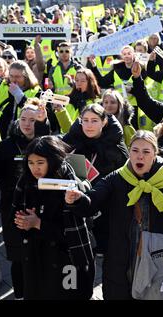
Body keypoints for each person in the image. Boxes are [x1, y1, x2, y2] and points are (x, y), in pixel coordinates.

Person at [65, 130, 163, 299]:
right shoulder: (116, 178)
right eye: (135, 150)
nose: (140, 156)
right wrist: (77, 199)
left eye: (146, 152)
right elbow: (92, 202)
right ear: (129, 152)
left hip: (159, 261)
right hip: (121, 260)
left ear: (155, 154)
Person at [11, 135, 94, 299]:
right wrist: (22, 223)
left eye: (40, 163)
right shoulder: (25, 182)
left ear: (52, 160)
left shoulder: (69, 184)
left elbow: (71, 234)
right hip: (34, 257)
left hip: (66, 261)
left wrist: (38, 223)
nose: (35, 169)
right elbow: (14, 217)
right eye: (31, 163)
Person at [0, 100, 50, 300]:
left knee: (40, 256)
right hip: (13, 209)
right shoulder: (6, 146)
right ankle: (19, 296)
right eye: (23, 119)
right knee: (18, 259)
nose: (27, 124)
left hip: (41, 208)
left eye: (33, 119)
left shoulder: (46, 143)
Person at [63, 104, 129, 255]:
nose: (89, 125)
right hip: (79, 194)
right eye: (85, 120)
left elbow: (125, 172)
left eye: (94, 120)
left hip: (106, 198)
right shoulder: (73, 137)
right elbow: (52, 150)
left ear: (104, 122)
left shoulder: (115, 143)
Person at [0, 61, 43, 140]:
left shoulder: (36, 91)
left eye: (18, 77)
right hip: (0, 134)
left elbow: (38, 115)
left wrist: (20, 96)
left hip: (23, 136)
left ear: (26, 77)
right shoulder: (2, 85)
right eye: (11, 76)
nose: (14, 80)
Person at [53, 68, 101, 133]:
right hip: (66, 136)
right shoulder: (68, 99)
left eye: (83, 81)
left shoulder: (95, 102)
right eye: (77, 80)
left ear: (90, 82)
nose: (79, 83)